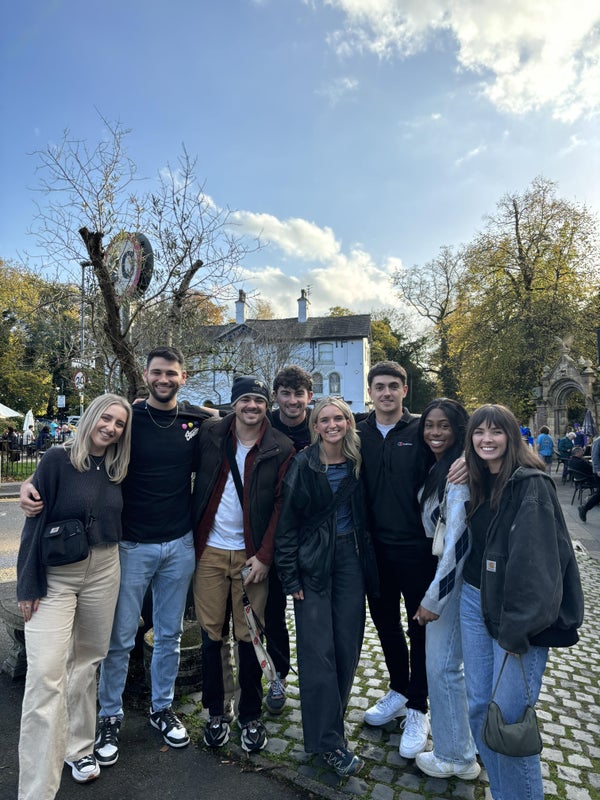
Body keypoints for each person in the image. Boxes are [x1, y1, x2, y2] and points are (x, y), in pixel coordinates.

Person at [20, 346, 213, 766]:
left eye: (172, 373)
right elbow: (81, 452)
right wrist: (31, 482)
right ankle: (110, 716)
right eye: (157, 372)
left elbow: (233, 420)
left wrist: (216, 412)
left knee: (169, 635)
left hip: (179, 546)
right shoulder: (129, 420)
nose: (164, 379)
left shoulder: (196, 421)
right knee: (120, 639)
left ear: (183, 376)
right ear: (146, 374)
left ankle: (162, 708)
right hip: (131, 547)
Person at [461, 404, 584, 800]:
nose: (486, 439)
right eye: (479, 432)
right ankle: (503, 792)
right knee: (479, 708)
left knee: (510, 721)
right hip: (475, 601)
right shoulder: (479, 478)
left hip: (516, 616)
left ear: (512, 436)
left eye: (496, 431)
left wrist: (518, 628)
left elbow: (537, 566)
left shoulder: (531, 485)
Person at [17, 393, 132, 797]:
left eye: (119, 423)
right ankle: (36, 790)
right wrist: (27, 584)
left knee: (86, 663)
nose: (111, 428)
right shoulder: (56, 460)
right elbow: (33, 525)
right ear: (91, 416)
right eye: (106, 418)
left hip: (105, 568)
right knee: (45, 677)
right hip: (56, 575)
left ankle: (79, 748)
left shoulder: (119, 467)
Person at [275, 396, 377, 777]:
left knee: (347, 646)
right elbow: (287, 524)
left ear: (349, 422)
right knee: (318, 651)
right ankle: (328, 742)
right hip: (314, 560)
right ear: (315, 426)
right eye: (325, 420)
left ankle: (330, 725)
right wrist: (290, 576)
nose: (332, 425)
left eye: (339, 418)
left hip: (351, 559)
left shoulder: (358, 461)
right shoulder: (303, 464)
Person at [192, 375, 294, 753]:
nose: (252, 406)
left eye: (259, 400)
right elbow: (180, 415)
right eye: (245, 399)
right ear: (234, 403)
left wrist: (265, 556)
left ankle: (251, 713)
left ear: (268, 405)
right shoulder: (211, 434)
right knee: (211, 635)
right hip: (210, 551)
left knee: (249, 636)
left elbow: (282, 506)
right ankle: (217, 710)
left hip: (252, 556)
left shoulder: (280, 447)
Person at [356, 361, 434, 758]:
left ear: (405, 389)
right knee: (385, 624)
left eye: (393, 386)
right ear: (370, 392)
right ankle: (400, 690)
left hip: (418, 549)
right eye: (379, 386)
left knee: (420, 628)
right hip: (375, 549)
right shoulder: (358, 433)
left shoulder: (421, 430)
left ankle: (419, 706)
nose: (386, 393)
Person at [412, 399, 480, 780]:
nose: (435, 433)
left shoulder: (457, 477)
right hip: (445, 577)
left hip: (451, 581)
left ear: (459, 430)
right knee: (447, 666)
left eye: (444, 426)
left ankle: (455, 756)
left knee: (441, 667)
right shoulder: (443, 466)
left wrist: (433, 600)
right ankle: (462, 745)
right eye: (429, 425)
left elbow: (457, 543)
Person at [264, 365, 314, 713]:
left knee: (311, 612)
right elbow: (222, 417)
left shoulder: (322, 424)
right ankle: (278, 675)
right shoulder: (265, 424)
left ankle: (316, 679)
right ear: (275, 396)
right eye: (286, 393)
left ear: (310, 397)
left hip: (311, 535)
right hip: (272, 529)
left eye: (299, 394)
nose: (293, 401)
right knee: (272, 612)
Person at [572, 440, 600, 522]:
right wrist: (597, 470)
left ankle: (584, 508)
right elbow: (595, 456)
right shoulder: (598, 441)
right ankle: (584, 508)